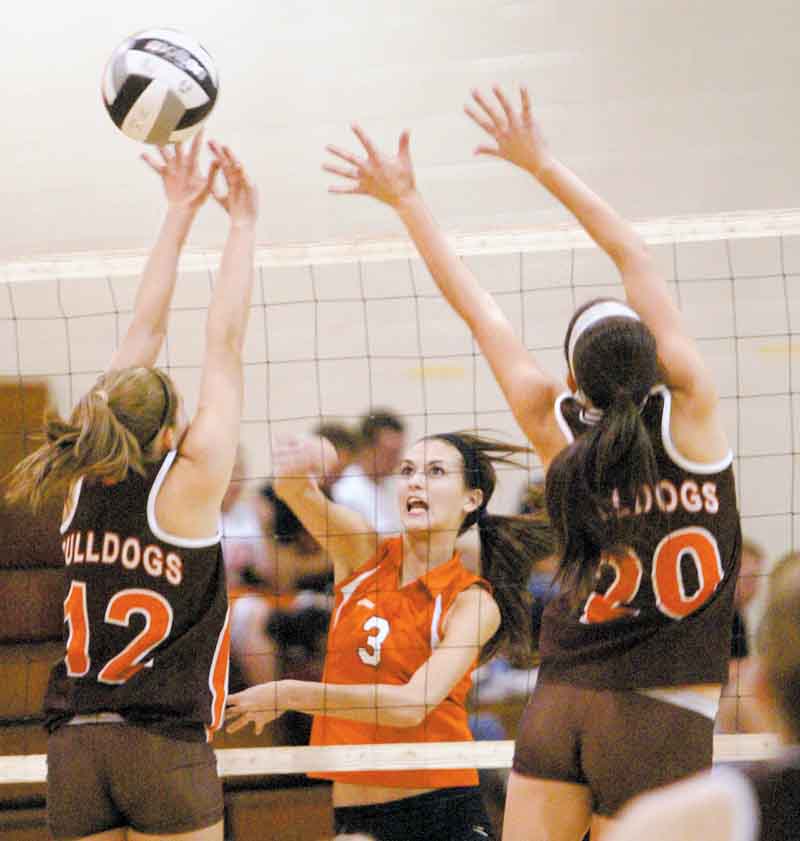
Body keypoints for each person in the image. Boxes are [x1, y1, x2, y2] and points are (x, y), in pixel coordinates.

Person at [321, 84, 741, 839]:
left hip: (562, 700)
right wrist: (544, 162)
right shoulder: (697, 414)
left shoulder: (557, 428)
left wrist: (410, 202)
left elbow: (480, 309)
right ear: (658, 360)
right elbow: (634, 253)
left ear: (575, 381)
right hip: (661, 709)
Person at [5, 135, 258, 841]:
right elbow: (225, 344)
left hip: (75, 747)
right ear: (173, 429)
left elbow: (142, 329)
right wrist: (240, 223)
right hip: (161, 744)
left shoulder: (77, 475)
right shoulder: (189, 483)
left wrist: (176, 213)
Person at [226, 432, 555, 841]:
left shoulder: (471, 604)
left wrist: (291, 694)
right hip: (358, 816)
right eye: (407, 471)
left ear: (471, 499)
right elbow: (292, 491)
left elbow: (411, 705)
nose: (415, 481)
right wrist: (314, 455)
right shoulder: (361, 551)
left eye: (435, 472)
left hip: (442, 812)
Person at [606, 550, 800, 841]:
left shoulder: (664, 822)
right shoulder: (702, 615)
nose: (749, 586)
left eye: (752, 579)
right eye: (744, 577)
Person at [717, 537, 769, 734]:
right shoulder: (714, 616)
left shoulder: (738, 616)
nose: (754, 587)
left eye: (757, 580)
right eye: (750, 578)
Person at [332, 410, 406, 534]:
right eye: (389, 453)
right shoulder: (344, 492)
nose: (396, 460)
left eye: (398, 452)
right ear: (366, 449)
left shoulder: (395, 486)